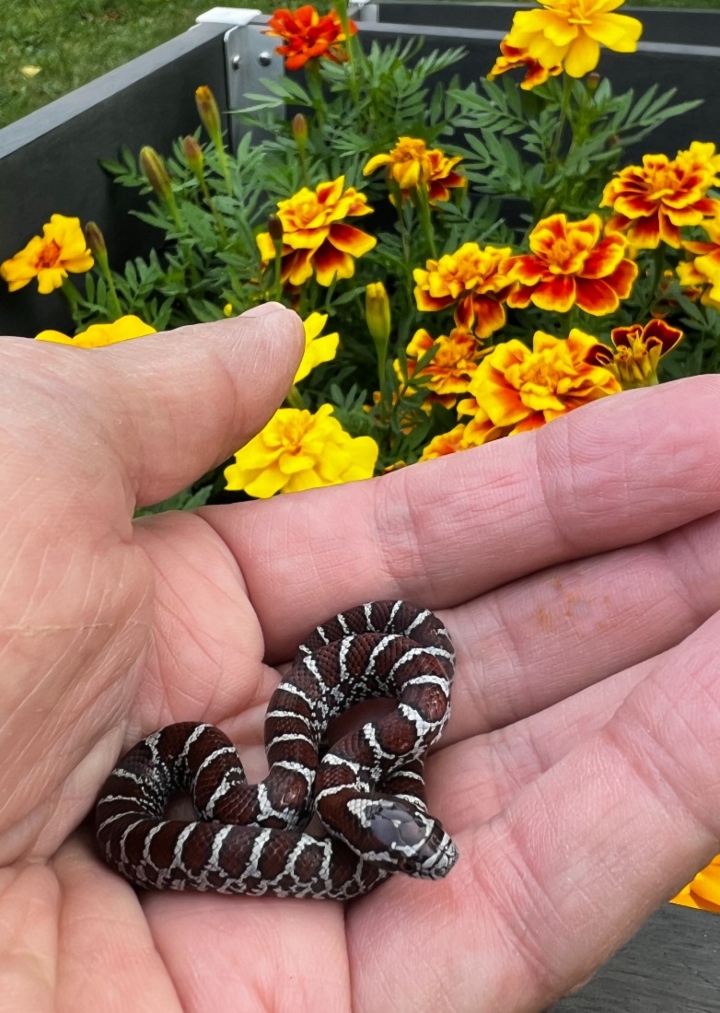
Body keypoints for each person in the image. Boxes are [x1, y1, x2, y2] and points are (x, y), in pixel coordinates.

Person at [1, 301, 718, 1012]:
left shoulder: (336, 774)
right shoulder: (306, 787)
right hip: (155, 810)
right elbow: (289, 790)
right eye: (406, 852)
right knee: (249, 773)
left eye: (414, 844)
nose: (425, 857)